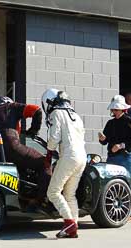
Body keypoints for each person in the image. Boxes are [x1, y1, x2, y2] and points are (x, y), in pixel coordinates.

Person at [0, 94, 50, 203]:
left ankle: (23, 198)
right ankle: (42, 200)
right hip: (11, 147)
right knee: (45, 163)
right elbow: (36, 110)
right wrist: (33, 130)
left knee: (20, 166)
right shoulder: (11, 106)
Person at [42, 88, 86, 238]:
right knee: (69, 194)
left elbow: (54, 137)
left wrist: (48, 154)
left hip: (69, 155)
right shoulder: (76, 116)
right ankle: (74, 227)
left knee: (53, 192)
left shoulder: (56, 113)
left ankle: (69, 223)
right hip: (82, 157)